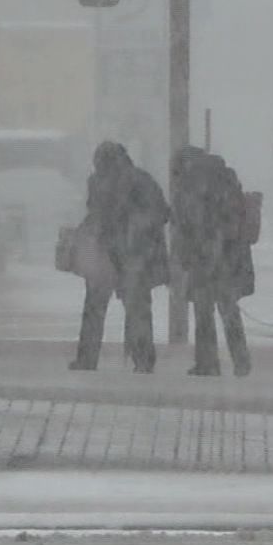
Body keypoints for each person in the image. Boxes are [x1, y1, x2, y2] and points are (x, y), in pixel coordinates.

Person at [71, 141, 169, 372]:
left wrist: (84, 235)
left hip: (106, 253)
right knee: (137, 310)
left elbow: (95, 215)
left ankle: (87, 359)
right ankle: (143, 360)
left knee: (95, 307)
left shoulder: (98, 182)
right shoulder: (141, 179)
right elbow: (161, 213)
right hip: (133, 255)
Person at [170, 145, 254, 377]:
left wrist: (187, 253)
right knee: (229, 311)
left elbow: (188, 223)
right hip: (227, 256)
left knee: (204, 313)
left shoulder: (191, 184)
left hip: (204, 257)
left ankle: (208, 363)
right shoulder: (224, 177)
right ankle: (241, 360)